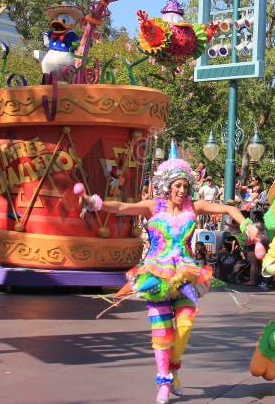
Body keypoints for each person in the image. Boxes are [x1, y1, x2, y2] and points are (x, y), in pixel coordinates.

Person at [80, 141, 250, 404]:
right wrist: (96, 203)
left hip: (186, 273)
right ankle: (163, 382)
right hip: (156, 275)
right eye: (178, 186)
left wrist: (247, 225)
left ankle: (174, 368)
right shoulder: (153, 206)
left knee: (184, 326)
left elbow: (229, 209)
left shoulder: (195, 207)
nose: (182, 190)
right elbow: (123, 208)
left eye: (185, 186)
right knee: (161, 332)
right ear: (168, 187)